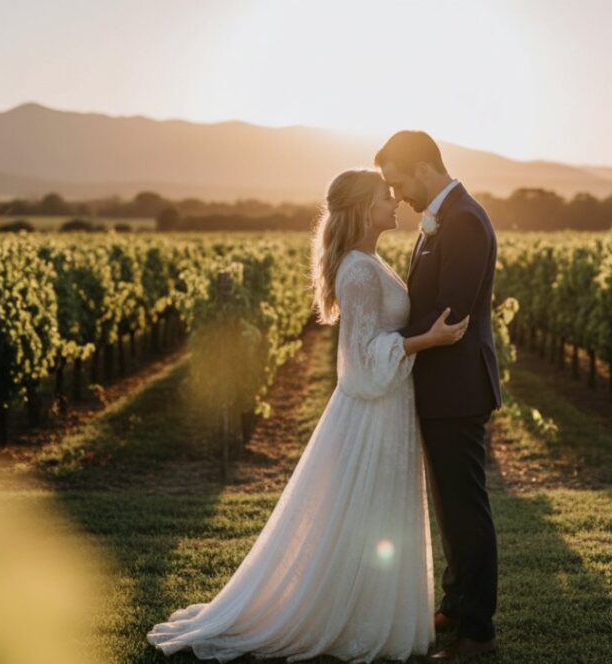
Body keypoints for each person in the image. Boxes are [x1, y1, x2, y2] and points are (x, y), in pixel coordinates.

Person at [146, 168, 468, 662]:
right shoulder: (358, 269)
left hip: (388, 407)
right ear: (363, 209)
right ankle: (350, 616)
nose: (396, 201)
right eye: (386, 196)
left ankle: (372, 611)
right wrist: (429, 340)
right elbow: (360, 361)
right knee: (365, 514)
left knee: (376, 515)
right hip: (371, 410)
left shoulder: (369, 261)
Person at [375, 130, 502, 660]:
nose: (398, 195)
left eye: (398, 182)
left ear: (424, 168)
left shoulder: (465, 221)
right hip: (440, 386)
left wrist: (387, 343)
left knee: (466, 507)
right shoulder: (445, 218)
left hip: (457, 387)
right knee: (450, 505)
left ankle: (477, 632)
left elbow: (451, 311)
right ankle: (455, 602)